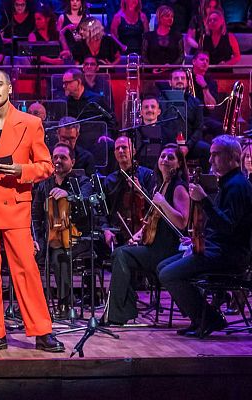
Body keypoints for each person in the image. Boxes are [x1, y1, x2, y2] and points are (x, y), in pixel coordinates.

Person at [0, 69, 64, 352]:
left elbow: (46, 166)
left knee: (25, 270)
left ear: (10, 89)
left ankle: (42, 331)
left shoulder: (30, 123)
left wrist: (21, 170)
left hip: (15, 204)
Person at [158, 135, 252, 337]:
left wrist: (204, 201)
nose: (210, 160)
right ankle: (199, 317)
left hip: (227, 256)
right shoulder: (229, 183)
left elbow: (227, 227)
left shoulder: (237, 186)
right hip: (216, 249)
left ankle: (209, 319)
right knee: (162, 267)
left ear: (233, 157)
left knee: (168, 274)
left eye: (215, 155)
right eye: (210, 155)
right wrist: (194, 240)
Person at [104, 144, 190, 325]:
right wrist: (139, 234)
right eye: (163, 157)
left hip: (168, 250)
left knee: (121, 254)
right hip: (153, 246)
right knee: (119, 253)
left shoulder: (179, 187)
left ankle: (119, 312)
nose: (165, 160)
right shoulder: (160, 185)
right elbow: (152, 220)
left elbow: (182, 222)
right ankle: (123, 309)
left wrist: (163, 203)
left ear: (179, 164)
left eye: (171, 158)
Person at [32, 142, 92, 318]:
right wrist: (36, 239)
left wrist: (70, 196)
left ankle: (65, 304)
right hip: (48, 236)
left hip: (77, 238)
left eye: (63, 158)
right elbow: (35, 215)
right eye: (55, 157)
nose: (58, 160)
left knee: (60, 253)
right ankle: (32, 304)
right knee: (27, 252)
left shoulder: (82, 181)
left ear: (72, 162)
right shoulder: (44, 184)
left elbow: (87, 200)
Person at [103, 135, 155, 249]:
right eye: (117, 148)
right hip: (117, 233)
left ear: (134, 151)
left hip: (142, 231)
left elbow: (155, 206)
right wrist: (106, 230)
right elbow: (104, 210)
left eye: (124, 147)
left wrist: (140, 190)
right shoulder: (109, 180)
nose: (121, 151)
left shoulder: (147, 175)